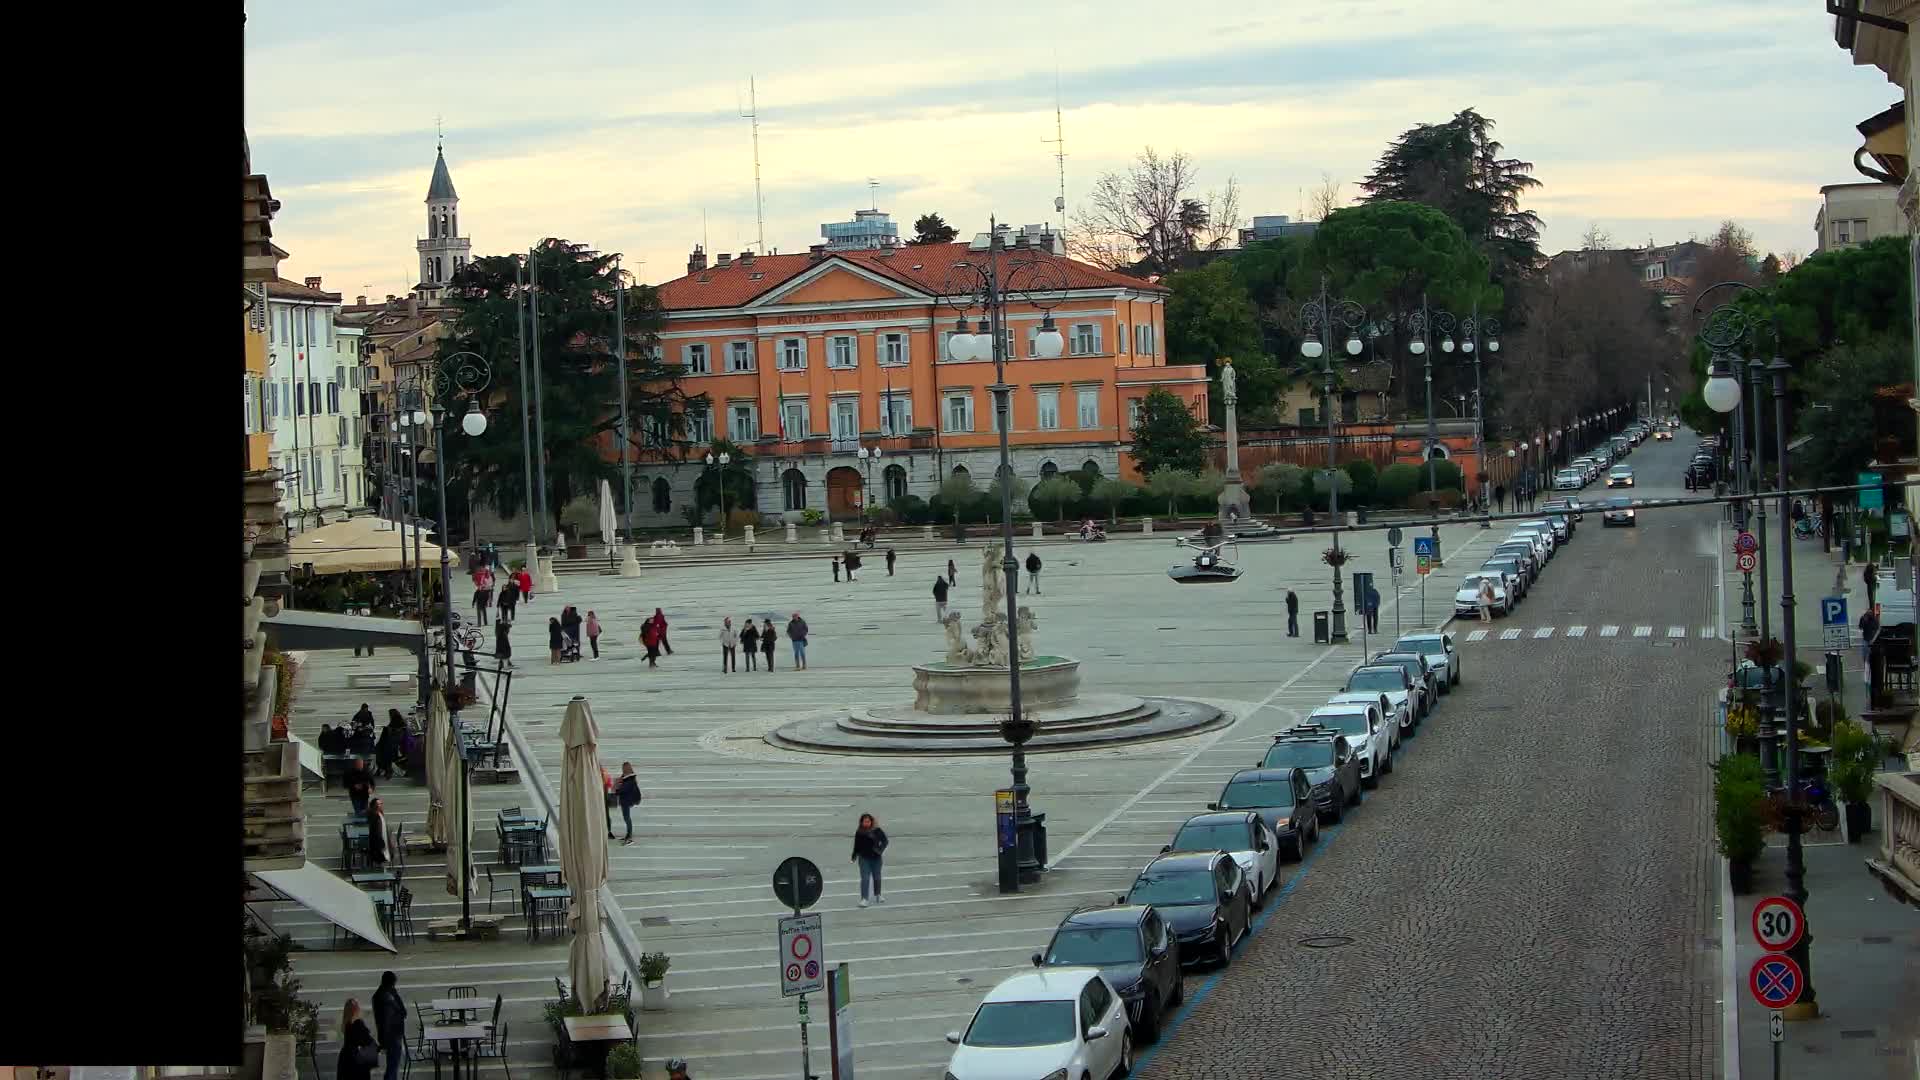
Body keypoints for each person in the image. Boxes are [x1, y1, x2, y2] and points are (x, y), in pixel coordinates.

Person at [371, 971, 407, 1080]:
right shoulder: (387, 998)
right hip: (393, 1036)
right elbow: (387, 1020)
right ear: (391, 983)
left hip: (390, 1036)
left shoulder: (380, 995)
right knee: (392, 1068)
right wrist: (384, 1041)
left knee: (392, 1067)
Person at [852, 812, 889, 907]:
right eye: (865, 822)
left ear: (871, 822)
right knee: (865, 878)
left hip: (876, 858)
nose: (866, 823)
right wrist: (854, 856)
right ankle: (864, 899)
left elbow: (885, 841)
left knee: (877, 877)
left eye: (868, 821)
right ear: (861, 822)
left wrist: (880, 850)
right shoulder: (859, 832)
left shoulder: (877, 830)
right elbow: (857, 845)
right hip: (864, 859)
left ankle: (878, 894)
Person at [337, 999, 378, 1080]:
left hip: (345, 1058)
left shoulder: (346, 1024)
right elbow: (367, 1040)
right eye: (357, 1006)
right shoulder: (358, 1023)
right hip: (355, 1060)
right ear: (355, 1009)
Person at [615, 761, 642, 845]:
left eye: (623, 768)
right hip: (625, 800)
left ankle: (629, 837)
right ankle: (628, 835)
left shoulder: (629, 779)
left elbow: (621, 790)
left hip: (626, 801)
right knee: (626, 818)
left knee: (627, 818)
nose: (622, 769)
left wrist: (617, 786)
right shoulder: (626, 777)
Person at [374, 714, 403, 780]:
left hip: (387, 748)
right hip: (388, 748)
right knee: (386, 760)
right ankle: (386, 771)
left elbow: (382, 740)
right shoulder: (397, 730)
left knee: (384, 760)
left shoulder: (389, 729)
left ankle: (386, 771)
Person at [366, 797, 388, 868]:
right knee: (377, 855)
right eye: (378, 804)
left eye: (381, 803)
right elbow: (377, 830)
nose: (381, 805)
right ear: (374, 806)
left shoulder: (378, 814)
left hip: (378, 839)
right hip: (376, 840)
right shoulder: (375, 815)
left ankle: (377, 863)